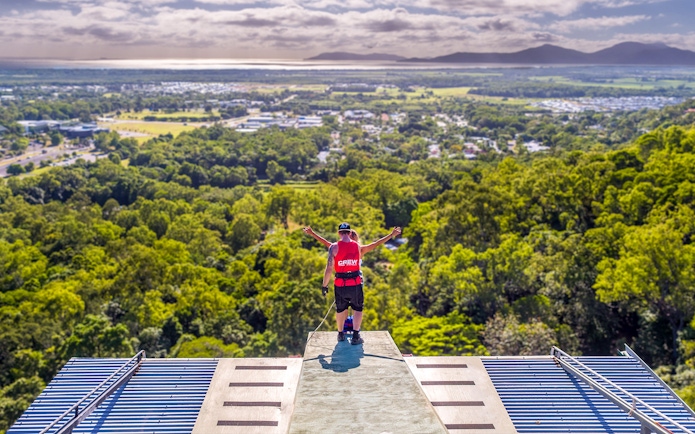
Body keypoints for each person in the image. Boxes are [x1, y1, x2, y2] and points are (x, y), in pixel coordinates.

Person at [314, 222, 401, 344]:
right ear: (349, 233)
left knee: (340, 309)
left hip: (340, 284)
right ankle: (355, 336)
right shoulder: (359, 248)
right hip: (355, 283)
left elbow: (329, 269)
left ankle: (340, 334)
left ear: (339, 233)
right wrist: (391, 235)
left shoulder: (334, 247)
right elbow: (376, 244)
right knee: (358, 309)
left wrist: (324, 285)